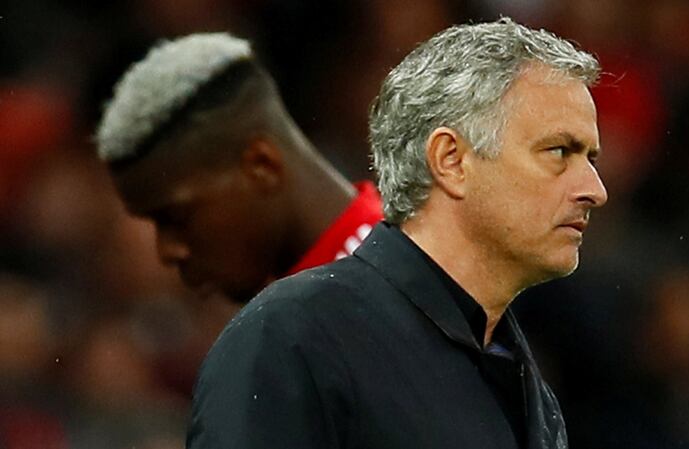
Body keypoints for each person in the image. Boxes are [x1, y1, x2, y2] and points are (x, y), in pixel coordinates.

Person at [188, 17, 607, 449]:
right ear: (451, 160)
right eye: (560, 151)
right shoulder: (294, 337)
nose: (595, 190)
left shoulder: (530, 389)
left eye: (590, 158)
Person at [95, 33, 382, 304]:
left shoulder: (376, 290)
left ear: (262, 166)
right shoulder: (355, 279)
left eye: (175, 218)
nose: (166, 252)